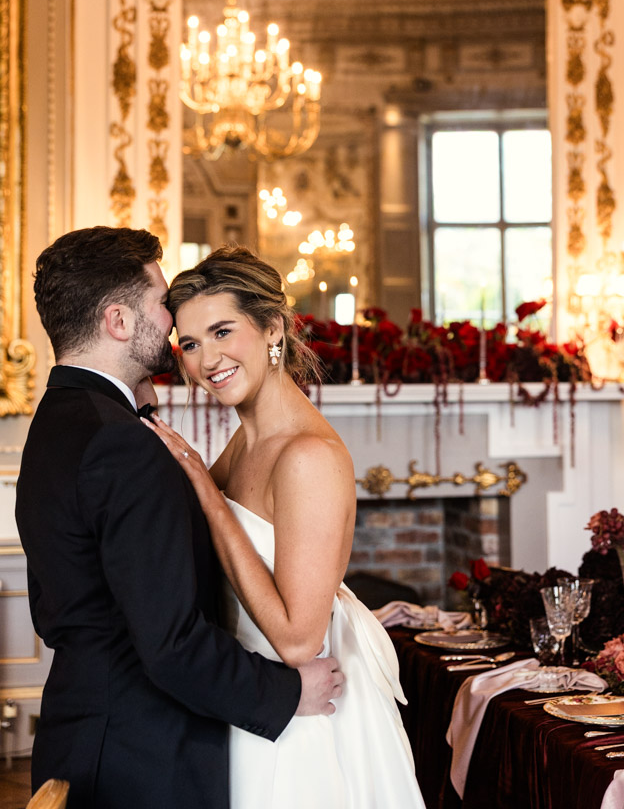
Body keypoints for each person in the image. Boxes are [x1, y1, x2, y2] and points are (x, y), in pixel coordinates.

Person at [15, 226, 343, 809]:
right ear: (119, 321)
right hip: (143, 753)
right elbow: (169, 645)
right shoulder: (121, 442)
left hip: (88, 726)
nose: (171, 328)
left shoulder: (59, 421)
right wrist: (286, 693)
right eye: (163, 309)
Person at [146, 243, 427, 808]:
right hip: (255, 700)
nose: (206, 361)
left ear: (272, 327)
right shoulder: (249, 439)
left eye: (223, 332)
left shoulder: (307, 455)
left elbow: (300, 641)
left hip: (305, 722)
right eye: (192, 343)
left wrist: (207, 491)